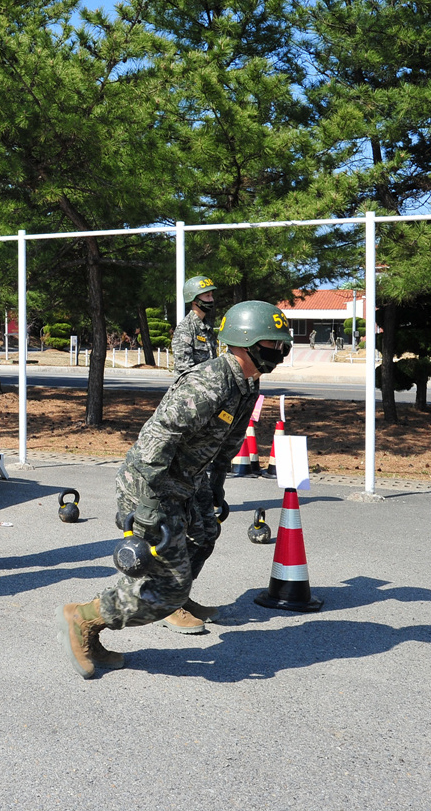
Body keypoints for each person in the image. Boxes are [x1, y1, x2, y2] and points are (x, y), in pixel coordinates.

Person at [58, 301, 292, 679]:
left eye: (284, 346)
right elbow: (156, 440)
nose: (279, 353)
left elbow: (226, 442)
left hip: (187, 481)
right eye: (273, 344)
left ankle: (176, 595)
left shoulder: (247, 383)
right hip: (151, 484)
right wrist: (147, 504)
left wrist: (215, 485)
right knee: (167, 583)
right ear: (245, 342)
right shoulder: (209, 382)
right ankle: (84, 619)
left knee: (205, 533)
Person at [163, 273, 224, 633]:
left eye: (213, 293)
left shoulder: (211, 329)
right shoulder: (185, 331)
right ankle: (169, 602)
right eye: (205, 294)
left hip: (206, 430)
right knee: (179, 530)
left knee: (206, 531)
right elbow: (184, 375)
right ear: (193, 298)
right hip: (191, 421)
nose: (211, 298)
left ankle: (181, 595)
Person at [173, 275, 219, 371]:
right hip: (192, 384)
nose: (211, 300)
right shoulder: (185, 328)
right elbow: (184, 368)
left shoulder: (207, 326)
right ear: (194, 300)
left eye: (211, 295)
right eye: (207, 296)